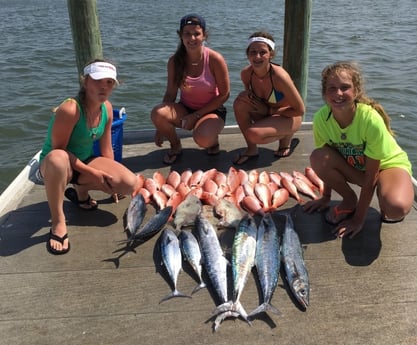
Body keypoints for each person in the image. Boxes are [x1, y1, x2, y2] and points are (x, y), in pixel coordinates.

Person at [39, 59, 140, 255]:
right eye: (98, 80)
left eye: (109, 82)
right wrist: (93, 173)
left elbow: (106, 148)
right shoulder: (70, 108)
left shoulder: (107, 108)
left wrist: (112, 181)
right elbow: (59, 152)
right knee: (58, 160)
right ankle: (58, 222)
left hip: (83, 161)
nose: (104, 86)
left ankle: (80, 194)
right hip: (55, 166)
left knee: (129, 183)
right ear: (85, 82)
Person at [303, 61, 414, 239]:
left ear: (356, 91)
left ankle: (386, 193)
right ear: (324, 93)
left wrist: (358, 219)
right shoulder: (321, 119)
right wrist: (325, 197)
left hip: (387, 165)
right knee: (318, 157)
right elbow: (328, 157)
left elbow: (371, 176)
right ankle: (349, 199)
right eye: (332, 88)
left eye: (345, 87)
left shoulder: (370, 120)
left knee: (396, 208)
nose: (338, 93)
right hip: (359, 168)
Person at [150, 13, 230, 164]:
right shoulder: (174, 61)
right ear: (180, 35)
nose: (192, 38)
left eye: (196, 34)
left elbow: (224, 95)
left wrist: (197, 116)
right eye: (187, 34)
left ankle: (212, 141)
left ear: (204, 35)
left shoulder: (215, 59)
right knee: (158, 113)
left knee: (203, 139)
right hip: (185, 108)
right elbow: (170, 93)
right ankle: (175, 145)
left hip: (212, 110)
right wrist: (159, 128)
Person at [232, 31, 305, 165]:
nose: (257, 56)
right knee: (240, 102)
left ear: (271, 54)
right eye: (253, 52)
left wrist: (270, 111)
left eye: (263, 52)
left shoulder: (279, 77)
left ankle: (287, 138)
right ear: (247, 54)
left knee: (254, 134)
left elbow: (300, 110)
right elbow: (251, 101)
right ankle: (251, 149)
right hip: (267, 114)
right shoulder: (246, 74)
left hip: (289, 116)